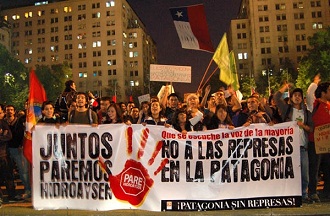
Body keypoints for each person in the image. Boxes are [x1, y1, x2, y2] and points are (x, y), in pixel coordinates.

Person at [274, 84, 313, 204]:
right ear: (291, 98)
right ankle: (290, 194)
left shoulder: (306, 113)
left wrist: (303, 126)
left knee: (304, 173)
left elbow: (311, 129)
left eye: (299, 96)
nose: (297, 97)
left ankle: (304, 194)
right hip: (289, 147)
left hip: (302, 146)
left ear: (302, 98)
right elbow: (276, 97)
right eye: (294, 95)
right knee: (290, 172)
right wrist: (284, 87)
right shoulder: (287, 110)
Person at [308, 81, 330, 202]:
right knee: (315, 168)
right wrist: (315, 83)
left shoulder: (329, 105)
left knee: (328, 167)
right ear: (323, 92)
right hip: (315, 143)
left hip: (327, 144)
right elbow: (310, 93)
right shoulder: (314, 104)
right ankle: (313, 192)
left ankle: (327, 192)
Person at [4, 105, 31, 199]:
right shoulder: (3, 122)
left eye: (11, 110)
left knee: (23, 171)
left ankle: (28, 189)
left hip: (18, 149)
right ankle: (12, 192)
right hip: (6, 150)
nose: (9, 112)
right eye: (7, 110)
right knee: (8, 172)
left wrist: (21, 145)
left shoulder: (19, 122)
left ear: (14, 111)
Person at [0, 104, 22, 203]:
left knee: (8, 176)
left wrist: (2, 135)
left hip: (4, 154)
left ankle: (12, 195)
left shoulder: (3, 123)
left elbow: (8, 136)